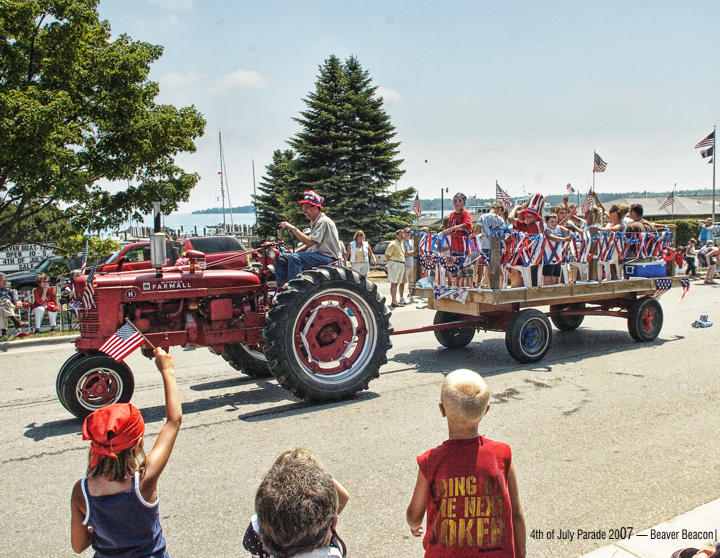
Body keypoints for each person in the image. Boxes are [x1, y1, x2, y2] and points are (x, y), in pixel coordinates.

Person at [70, 347, 182, 557]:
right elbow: (173, 422)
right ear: (138, 443)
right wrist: (167, 370)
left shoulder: (82, 491)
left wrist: (103, 530)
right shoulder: (143, 482)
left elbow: (78, 545)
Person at [406, 369, 526, 557]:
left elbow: (415, 513)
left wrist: (414, 526)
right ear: (486, 409)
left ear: (442, 410)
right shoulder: (502, 455)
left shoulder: (430, 461)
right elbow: (516, 512)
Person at [243, 448, 349, 558]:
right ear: (334, 522)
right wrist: (321, 479)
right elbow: (344, 497)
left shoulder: (263, 521)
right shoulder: (319, 520)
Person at [276, 190, 343, 287]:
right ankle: (281, 287)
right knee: (280, 255)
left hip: (327, 257)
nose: (304, 211)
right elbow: (311, 243)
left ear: (316, 207)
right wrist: (294, 251)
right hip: (319, 254)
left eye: (306, 207)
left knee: (295, 258)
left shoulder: (323, 221)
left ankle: (293, 289)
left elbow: (310, 242)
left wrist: (291, 227)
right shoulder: (315, 222)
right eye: (303, 207)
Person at [507, 194, 545, 287]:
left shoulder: (536, 227)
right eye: (526, 216)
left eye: (530, 217)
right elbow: (510, 218)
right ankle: (517, 287)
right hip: (522, 254)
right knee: (507, 265)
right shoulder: (524, 224)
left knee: (511, 264)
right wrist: (515, 208)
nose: (527, 218)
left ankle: (521, 287)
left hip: (530, 256)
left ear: (536, 218)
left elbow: (530, 244)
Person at [472, 202, 506, 287]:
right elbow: (502, 234)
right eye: (501, 213)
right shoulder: (501, 220)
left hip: (486, 246)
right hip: (498, 247)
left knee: (489, 269)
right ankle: (500, 288)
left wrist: (470, 237)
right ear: (499, 209)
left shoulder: (483, 217)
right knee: (498, 269)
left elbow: (477, 232)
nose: (501, 214)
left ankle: (492, 288)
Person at [442, 193, 473, 287]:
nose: (457, 203)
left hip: (464, 246)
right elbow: (450, 228)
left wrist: (452, 228)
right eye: (455, 201)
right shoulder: (451, 214)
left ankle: (470, 292)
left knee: (466, 271)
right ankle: (458, 292)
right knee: (456, 272)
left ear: (464, 203)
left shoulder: (465, 213)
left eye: (459, 201)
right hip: (454, 246)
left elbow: (467, 226)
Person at [542, 213, 571, 285]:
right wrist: (565, 239)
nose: (554, 223)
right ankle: (545, 291)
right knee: (547, 277)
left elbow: (568, 231)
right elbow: (551, 237)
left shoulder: (559, 228)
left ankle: (553, 290)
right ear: (547, 222)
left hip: (558, 257)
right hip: (549, 258)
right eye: (552, 222)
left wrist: (571, 233)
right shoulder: (547, 230)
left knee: (555, 277)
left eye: (555, 222)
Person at [0, 272, 28, 338]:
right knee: (3, 306)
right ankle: (16, 321)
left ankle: (4, 332)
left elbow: (16, 301)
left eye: (5, 280)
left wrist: (18, 302)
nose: (5, 282)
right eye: (2, 280)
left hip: (11, 307)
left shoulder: (11, 291)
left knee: (5, 303)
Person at [385, 230, 406, 308]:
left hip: (401, 264)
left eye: (403, 234)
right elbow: (387, 255)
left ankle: (395, 300)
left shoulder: (401, 244)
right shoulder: (393, 244)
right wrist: (389, 264)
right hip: (394, 263)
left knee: (397, 283)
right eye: (400, 235)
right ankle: (394, 301)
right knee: (394, 283)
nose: (402, 236)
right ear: (396, 235)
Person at [399, 227, 416, 303]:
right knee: (402, 282)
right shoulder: (402, 242)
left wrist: (412, 252)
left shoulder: (411, 241)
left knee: (411, 282)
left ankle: (411, 296)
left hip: (411, 264)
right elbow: (405, 253)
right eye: (407, 232)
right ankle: (401, 298)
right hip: (404, 265)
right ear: (404, 233)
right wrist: (413, 251)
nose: (408, 234)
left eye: (409, 232)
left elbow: (411, 253)